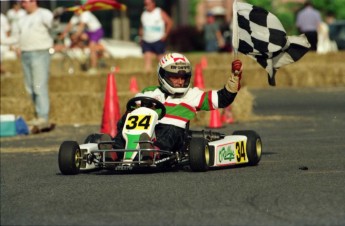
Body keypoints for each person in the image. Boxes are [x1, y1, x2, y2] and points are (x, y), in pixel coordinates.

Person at [110, 52, 243, 157]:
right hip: (148, 131)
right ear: (163, 75)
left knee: (171, 129)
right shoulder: (149, 92)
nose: (180, 82)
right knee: (126, 119)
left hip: (175, 137)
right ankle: (116, 150)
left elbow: (222, 98)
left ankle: (154, 151)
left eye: (183, 77)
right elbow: (133, 109)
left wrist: (234, 78)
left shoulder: (192, 95)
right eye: (175, 77)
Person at [17, 0, 54, 130]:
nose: (23, 4)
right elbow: (17, 36)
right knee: (30, 88)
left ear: (34, 2)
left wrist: (57, 20)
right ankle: (38, 115)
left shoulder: (44, 14)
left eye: (25, 2)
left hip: (40, 52)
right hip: (25, 54)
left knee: (39, 86)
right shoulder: (22, 18)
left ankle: (43, 116)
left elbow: (53, 26)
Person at [59, 10, 104, 75]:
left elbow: (81, 26)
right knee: (78, 39)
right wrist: (63, 34)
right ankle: (83, 53)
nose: (74, 11)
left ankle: (93, 68)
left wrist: (76, 35)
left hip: (97, 31)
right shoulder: (76, 15)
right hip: (89, 32)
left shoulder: (85, 14)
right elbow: (70, 25)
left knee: (92, 48)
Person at [139, 0, 173, 73]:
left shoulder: (159, 12)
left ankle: (167, 75)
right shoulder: (144, 14)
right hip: (146, 40)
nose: (147, 5)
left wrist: (165, 34)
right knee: (147, 61)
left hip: (158, 40)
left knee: (162, 61)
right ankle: (148, 78)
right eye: (145, 4)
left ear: (153, 3)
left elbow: (169, 22)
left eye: (148, 3)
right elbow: (142, 27)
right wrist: (141, 38)